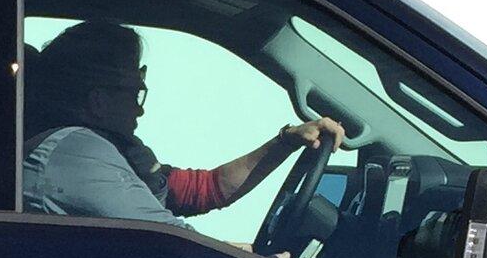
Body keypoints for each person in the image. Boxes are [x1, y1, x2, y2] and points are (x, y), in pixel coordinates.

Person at [19, 19, 342, 224]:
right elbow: (168, 242)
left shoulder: (112, 151)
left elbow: (203, 189)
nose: (139, 111)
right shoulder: (74, 151)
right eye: (135, 94)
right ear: (98, 101)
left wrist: (285, 141)